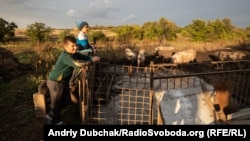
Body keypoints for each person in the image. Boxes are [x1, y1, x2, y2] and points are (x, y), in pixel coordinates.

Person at [46, 35, 100, 125]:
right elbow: (78, 65)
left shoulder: (74, 54)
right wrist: (92, 61)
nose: (75, 47)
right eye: (73, 46)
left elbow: (84, 57)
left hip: (63, 81)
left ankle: (51, 115)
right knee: (56, 102)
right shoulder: (66, 56)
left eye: (76, 45)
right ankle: (56, 121)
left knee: (67, 100)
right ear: (65, 47)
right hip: (55, 82)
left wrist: (90, 58)